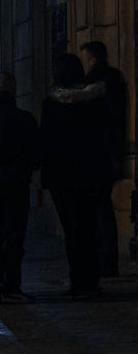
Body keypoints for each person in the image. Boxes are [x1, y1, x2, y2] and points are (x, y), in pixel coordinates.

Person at [40, 53, 110, 297]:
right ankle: (91, 279)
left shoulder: (52, 103)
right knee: (89, 227)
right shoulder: (95, 99)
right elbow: (103, 136)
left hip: (63, 176)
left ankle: (78, 279)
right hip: (91, 172)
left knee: (72, 230)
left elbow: (46, 141)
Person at [0, 73, 40, 303]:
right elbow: (35, 154)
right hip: (16, 184)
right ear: (13, 90)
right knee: (14, 236)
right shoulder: (24, 119)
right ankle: (11, 283)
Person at [79, 41, 128, 277]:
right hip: (110, 153)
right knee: (102, 207)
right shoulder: (116, 79)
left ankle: (104, 260)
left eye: (86, 58)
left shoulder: (95, 82)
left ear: (94, 59)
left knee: (98, 210)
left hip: (96, 154)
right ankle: (107, 261)